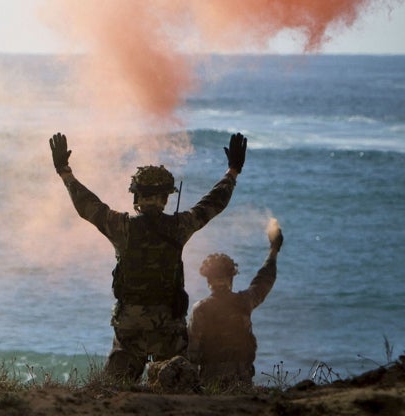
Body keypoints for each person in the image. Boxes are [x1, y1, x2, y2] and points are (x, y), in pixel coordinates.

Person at [50, 131, 247, 383]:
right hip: (168, 326)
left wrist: (64, 171)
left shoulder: (120, 227)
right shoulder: (180, 226)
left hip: (129, 324)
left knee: (115, 390)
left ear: (136, 197)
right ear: (166, 198)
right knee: (177, 390)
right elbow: (213, 203)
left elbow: (87, 205)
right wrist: (232, 172)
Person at [188, 221, 283, 387]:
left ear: (208, 282)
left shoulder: (200, 309)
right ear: (231, 279)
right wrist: (273, 250)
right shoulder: (244, 301)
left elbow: (191, 352)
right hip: (242, 378)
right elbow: (264, 280)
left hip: (210, 380)